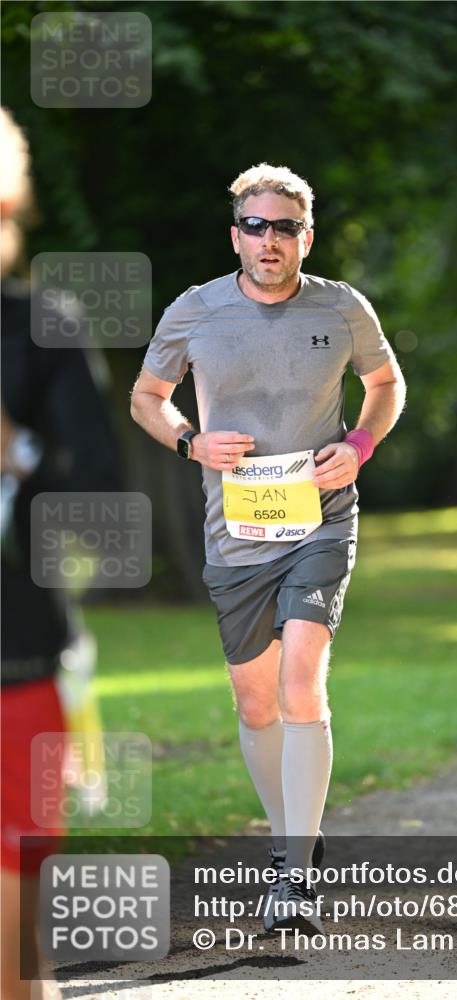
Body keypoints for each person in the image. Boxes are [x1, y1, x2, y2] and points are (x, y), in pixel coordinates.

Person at [130, 163, 406, 934]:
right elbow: (145, 398)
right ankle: (301, 837)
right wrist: (191, 441)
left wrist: (358, 442)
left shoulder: (342, 307)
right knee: (254, 703)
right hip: (236, 531)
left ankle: (289, 878)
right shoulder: (196, 310)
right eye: (255, 226)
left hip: (321, 519)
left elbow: (386, 384)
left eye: (284, 227)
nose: (269, 239)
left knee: (298, 682)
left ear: (305, 237)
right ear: (236, 236)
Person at [1, 107, 122, 997]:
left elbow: (100, 500)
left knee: (12, 887)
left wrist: (20, 453)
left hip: (17, 653)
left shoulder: (42, 327)